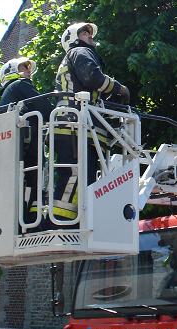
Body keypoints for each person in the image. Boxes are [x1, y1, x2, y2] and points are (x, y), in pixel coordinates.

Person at [51, 22, 129, 226]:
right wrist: (119, 88)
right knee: (74, 176)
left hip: (79, 125)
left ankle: (74, 220)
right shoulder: (80, 52)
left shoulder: (77, 54)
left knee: (81, 177)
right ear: (73, 38)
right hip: (75, 125)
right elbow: (93, 77)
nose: (90, 35)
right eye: (84, 32)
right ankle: (62, 222)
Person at [0, 57, 53, 223]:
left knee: (30, 187)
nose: (29, 70)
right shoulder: (20, 85)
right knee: (32, 185)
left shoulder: (8, 94)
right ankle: (30, 222)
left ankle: (30, 220)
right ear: (12, 72)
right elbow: (45, 107)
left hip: (18, 149)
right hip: (28, 150)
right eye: (24, 67)